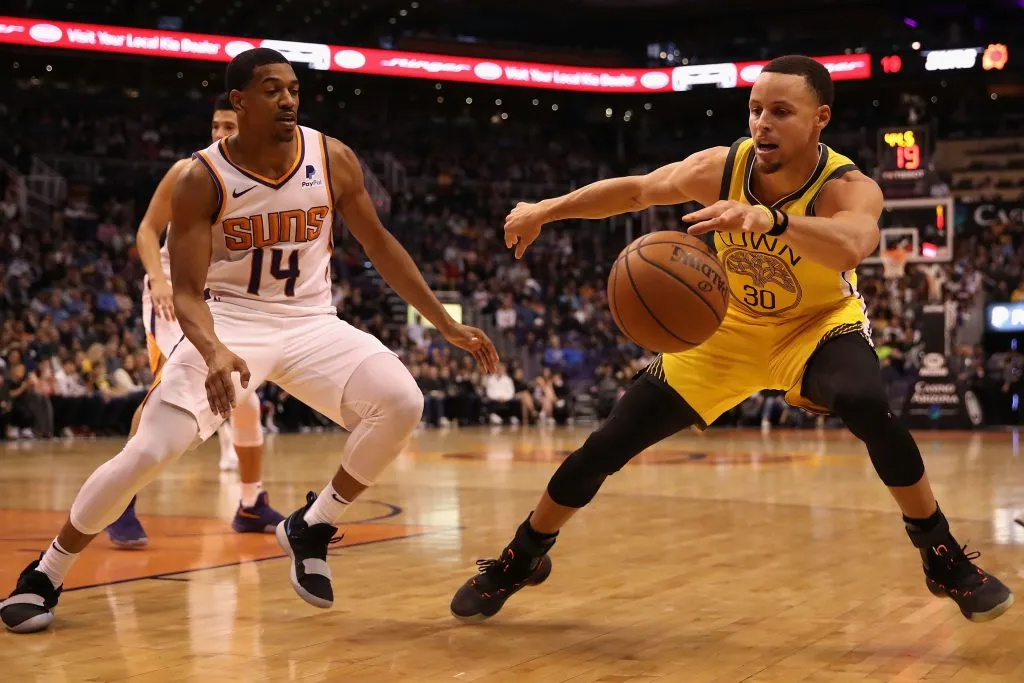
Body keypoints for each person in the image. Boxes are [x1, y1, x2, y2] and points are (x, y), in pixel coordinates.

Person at [450, 55, 1013, 625]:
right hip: (725, 332)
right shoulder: (722, 168)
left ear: (820, 118)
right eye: (755, 110)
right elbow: (637, 192)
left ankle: (941, 557)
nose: (762, 123)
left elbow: (852, 243)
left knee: (868, 403)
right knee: (604, 447)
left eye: (781, 112)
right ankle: (523, 556)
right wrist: (545, 210)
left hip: (814, 327)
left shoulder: (847, 185)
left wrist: (773, 222)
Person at [1, 48, 498, 634]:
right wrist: (212, 350)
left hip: (312, 320)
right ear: (239, 101)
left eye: (292, 88)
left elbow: (380, 244)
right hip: (231, 319)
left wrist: (442, 321)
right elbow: (186, 292)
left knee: (402, 402)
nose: (288, 99)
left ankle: (311, 525)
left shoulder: (331, 156)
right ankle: (48, 570)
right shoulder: (199, 178)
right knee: (150, 450)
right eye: (271, 89)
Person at [104, 94, 285, 550]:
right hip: (173, 296)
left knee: (243, 399)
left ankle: (250, 503)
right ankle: (119, 500)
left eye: (229, 126)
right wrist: (157, 279)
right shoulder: (190, 172)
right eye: (215, 125)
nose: (220, 134)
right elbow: (147, 230)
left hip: (223, 301)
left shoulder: (268, 181)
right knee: (166, 393)